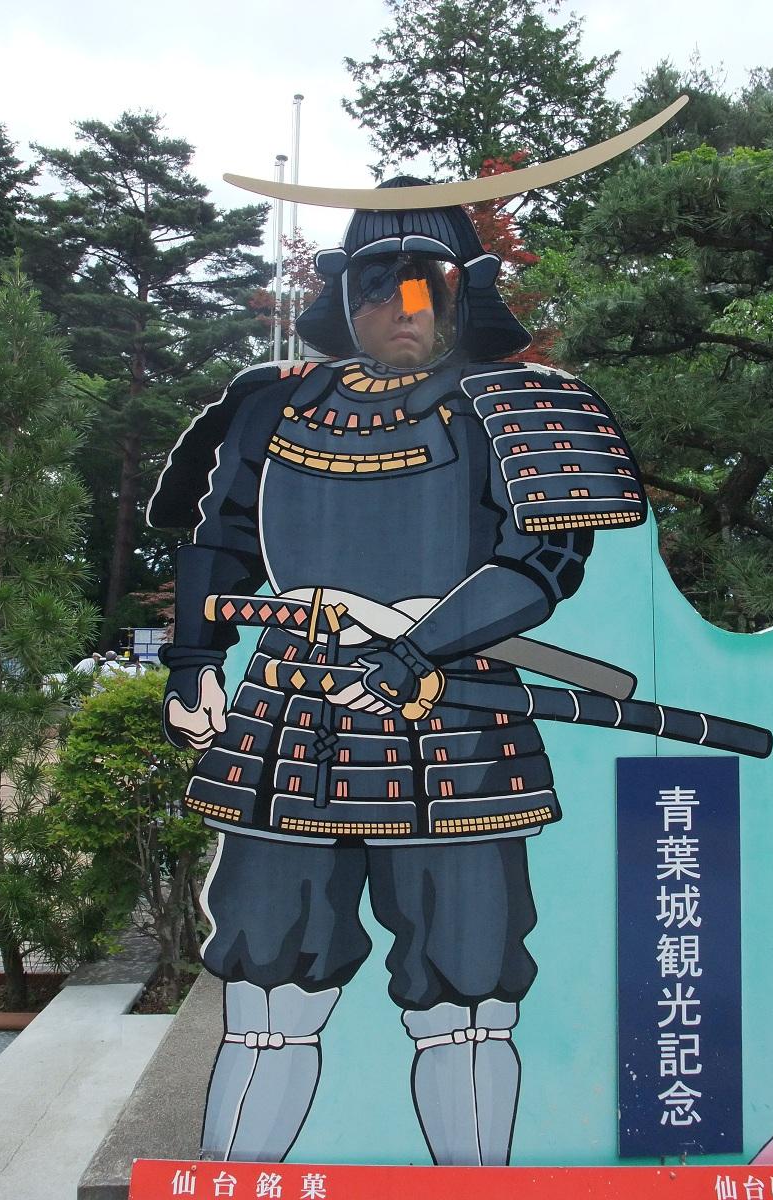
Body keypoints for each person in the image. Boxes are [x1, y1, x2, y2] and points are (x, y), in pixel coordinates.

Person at [148, 178, 647, 1165]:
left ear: (467, 289)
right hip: (288, 710)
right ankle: (238, 1181)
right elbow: (219, 538)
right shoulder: (271, 401)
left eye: (427, 284)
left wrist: (415, 648)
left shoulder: (519, 401)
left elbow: (542, 563)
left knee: (468, 996)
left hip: (454, 716)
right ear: (345, 291)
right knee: (264, 986)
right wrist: (193, 659)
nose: (403, 307)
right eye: (381, 284)